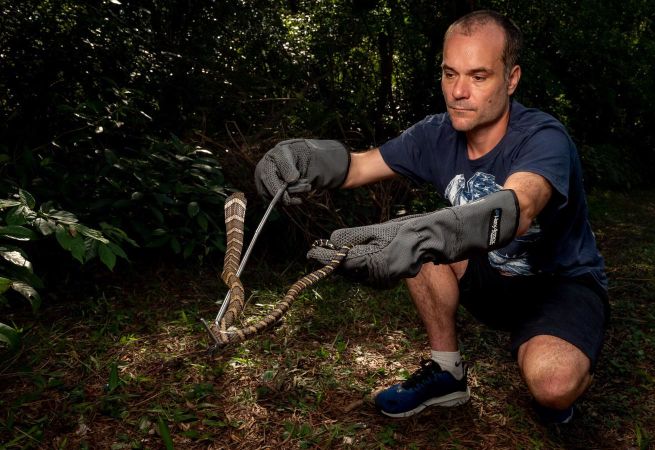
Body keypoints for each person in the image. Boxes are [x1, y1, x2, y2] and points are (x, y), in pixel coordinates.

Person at [254, 10, 608, 424]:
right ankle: (447, 373)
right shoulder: (435, 134)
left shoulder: (543, 137)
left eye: (479, 77)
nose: (458, 91)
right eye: (449, 73)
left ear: (511, 80)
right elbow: (358, 165)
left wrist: (420, 234)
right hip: (489, 278)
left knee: (552, 387)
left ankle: (568, 356)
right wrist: (306, 158)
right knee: (420, 230)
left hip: (559, 285)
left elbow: (519, 208)